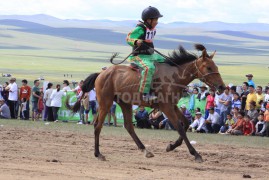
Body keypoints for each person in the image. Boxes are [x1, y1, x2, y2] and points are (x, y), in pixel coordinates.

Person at [126, 6, 164, 101]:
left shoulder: (151, 29)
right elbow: (128, 38)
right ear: (148, 20)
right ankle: (145, 93)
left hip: (150, 55)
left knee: (166, 61)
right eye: (155, 19)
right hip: (138, 56)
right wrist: (135, 41)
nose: (157, 22)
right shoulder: (140, 28)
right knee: (149, 68)